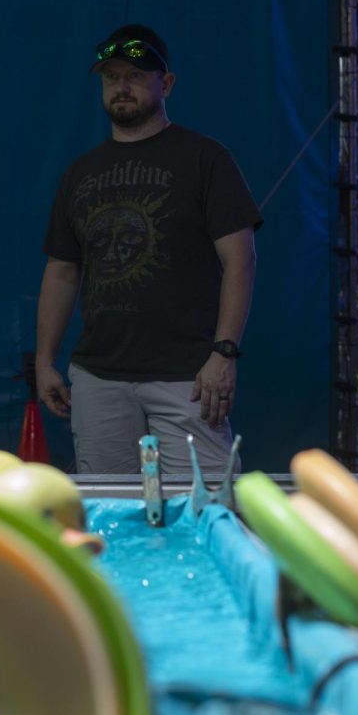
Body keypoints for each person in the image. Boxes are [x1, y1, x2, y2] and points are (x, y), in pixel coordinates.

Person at [36, 24, 262, 474]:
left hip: (189, 376)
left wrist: (224, 354)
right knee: (110, 518)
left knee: (209, 508)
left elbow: (240, 260)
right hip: (98, 377)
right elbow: (61, 271)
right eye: (111, 76)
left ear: (167, 83)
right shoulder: (79, 174)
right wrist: (44, 361)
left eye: (136, 75)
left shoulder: (205, 159)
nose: (122, 86)